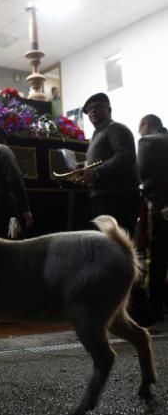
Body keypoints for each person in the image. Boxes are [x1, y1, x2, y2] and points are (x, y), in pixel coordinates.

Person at [78, 92, 152, 326]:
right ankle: (118, 311)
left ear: (109, 108)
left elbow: (126, 156)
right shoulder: (98, 135)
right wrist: (85, 168)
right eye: (89, 110)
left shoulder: (117, 129)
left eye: (97, 107)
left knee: (122, 253)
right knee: (110, 255)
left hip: (117, 198)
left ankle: (139, 313)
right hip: (104, 197)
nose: (92, 113)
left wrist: (96, 172)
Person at [138, 114, 168, 321]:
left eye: (140, 128)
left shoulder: (147, 141)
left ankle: (155, 310)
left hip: (159, 207)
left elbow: (139, 173)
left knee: (156, 259)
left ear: (146, 125)